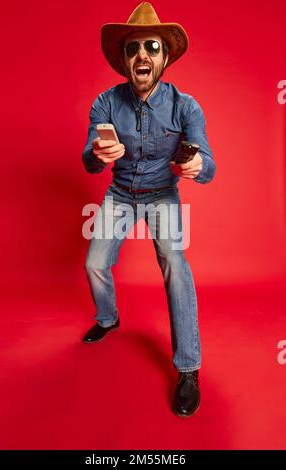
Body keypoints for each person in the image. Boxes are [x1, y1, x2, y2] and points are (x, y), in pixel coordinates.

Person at [81, 2, 216, 418]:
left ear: (164, 57)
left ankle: (189, 369)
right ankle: (108, 318)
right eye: (134, 48)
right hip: (120, 193)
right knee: (94, 263)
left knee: (175, 264)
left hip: (162, 195)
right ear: (124, 59)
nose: (142, 54)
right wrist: (100, 155)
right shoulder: (104, 103)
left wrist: (197, 166)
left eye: (151, 47)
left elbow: (209, 164)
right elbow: (87, 158)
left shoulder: (186, 106)